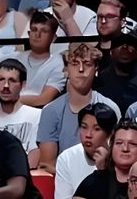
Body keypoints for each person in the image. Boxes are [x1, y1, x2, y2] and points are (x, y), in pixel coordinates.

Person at [37, 42, 121, 173]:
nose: (81, 69)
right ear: (66, 69)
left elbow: (116, 157)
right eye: (75, 63)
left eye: (87, 64)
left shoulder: (110, 107)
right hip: (63, 178)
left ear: (96, 68)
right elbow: (46, 165)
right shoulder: (51, 111)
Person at [55, 102, 119, 199]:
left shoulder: (119, 157)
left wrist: (105, 170)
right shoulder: (67, 158)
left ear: (110, 133)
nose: (88, 135)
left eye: (97, 129)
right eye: (84, 127)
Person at [0, 59, 41, 168]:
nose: (5, 85)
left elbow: (34, 153)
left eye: (12, 80)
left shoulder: (37, 115)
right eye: (1, 79)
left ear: (22, 84)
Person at [74, 119, 137, 199]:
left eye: (132, 144)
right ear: (111, 147)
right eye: (119, 143)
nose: (125, 149)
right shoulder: (93, 182)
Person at [16, 11, 66, 107]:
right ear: (29, 34)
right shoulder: (17, 58)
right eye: (34, 30)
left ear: (53, 37)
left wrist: (10, 99)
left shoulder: (57, 63)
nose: (37, 35)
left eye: (44, 31)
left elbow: (43, 99)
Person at [95, 33, 137, 115]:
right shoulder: (98, 82)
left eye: (131, 43)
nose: (125, 47)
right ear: (111, 51)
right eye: (120, 43)